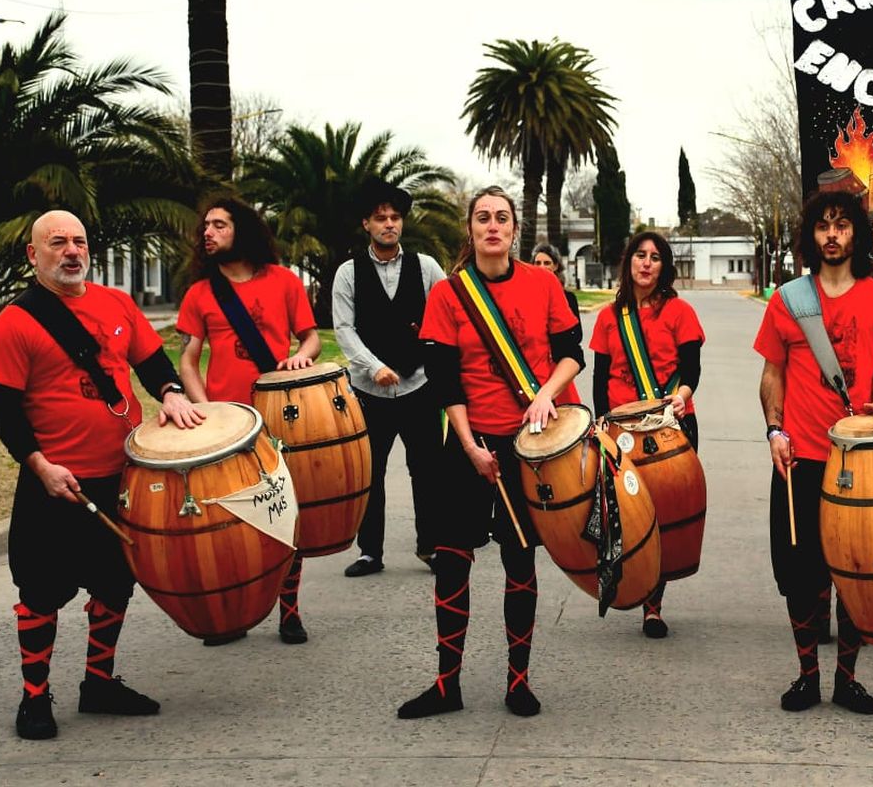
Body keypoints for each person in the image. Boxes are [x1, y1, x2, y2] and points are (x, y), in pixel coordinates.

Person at [0, 210, 203, 740]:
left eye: (79, 241)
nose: (72, 251)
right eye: (57, 243)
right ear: (34, 255)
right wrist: (39, 466)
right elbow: (3, 408)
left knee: (114, 585)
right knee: (40, 592)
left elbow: (153, 364)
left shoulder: (117, 304)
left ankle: (98, 683)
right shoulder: (15, 322)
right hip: (55, 483)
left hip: (121, 476)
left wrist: (171, 394)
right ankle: (35, 697)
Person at [400, 186, 584, 720]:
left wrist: (546, 395)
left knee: (519, 559)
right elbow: (444, 381)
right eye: (483, 218)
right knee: (451, 564)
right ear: (472, 228)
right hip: (467, 445)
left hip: (529, 447)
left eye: (502, 218)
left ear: (514, 229)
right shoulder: (449, 294)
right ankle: (445, 684)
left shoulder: (543, 283)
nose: (493, 226)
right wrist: (469, 447)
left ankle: (518, 682)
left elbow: (572, 354)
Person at [754, 189, 873, 715]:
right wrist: (775, 430)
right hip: (800, 455)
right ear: (811, 236)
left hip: (860, 459)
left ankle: (847, 679)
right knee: (802, 574)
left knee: (857, 571)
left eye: (842, 225)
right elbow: (772, 373)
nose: (832, 234)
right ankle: (807, 676)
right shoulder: (788, 299)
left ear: (856, 234)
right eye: (823, 226)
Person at [176, 197, 320, 645]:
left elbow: (311, 338)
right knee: (227, 521)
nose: (209, 233)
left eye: (219, 224)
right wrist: (207, 411)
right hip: (227, 425)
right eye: (207, 227)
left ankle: (289, 610)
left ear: (243, 230)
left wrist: (300, 357)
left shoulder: (283, 282)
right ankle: (231, 615)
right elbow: (187, 362)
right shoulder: (200, 292)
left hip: (279, 414)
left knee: (284, 511)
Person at [588, 230, 705, 638]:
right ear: (629, 261)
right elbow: (601, 378)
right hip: (622, 429)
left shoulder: (679, 312)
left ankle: (653, 605)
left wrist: (683, 395)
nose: (647, 263)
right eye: (640, 255)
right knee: (628, 514)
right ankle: (630, 583)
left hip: (670, 425)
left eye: (655, 257)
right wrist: (601, 422)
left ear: (664, 266)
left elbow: (691, 369)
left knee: (665, 515)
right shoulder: (607, 317)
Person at [333, 177, 447, 578]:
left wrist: (425, 354)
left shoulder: (427, 267)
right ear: (366, 223)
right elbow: (344, 329)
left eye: (395, 217)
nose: (389, 224)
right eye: (381, 218)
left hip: (419, 387)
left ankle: (430, 546)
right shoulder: (348, 273)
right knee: (371, 471)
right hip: (368, 391)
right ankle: (370, 551)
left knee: (429, 469)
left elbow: (445, 317)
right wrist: (372, 366)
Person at [531, 242, 583, 350]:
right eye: (537, 263)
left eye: (547, 263)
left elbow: (577, 335)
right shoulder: (525, 296)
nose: (542, 267)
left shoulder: (569, 298)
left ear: (555, 266)